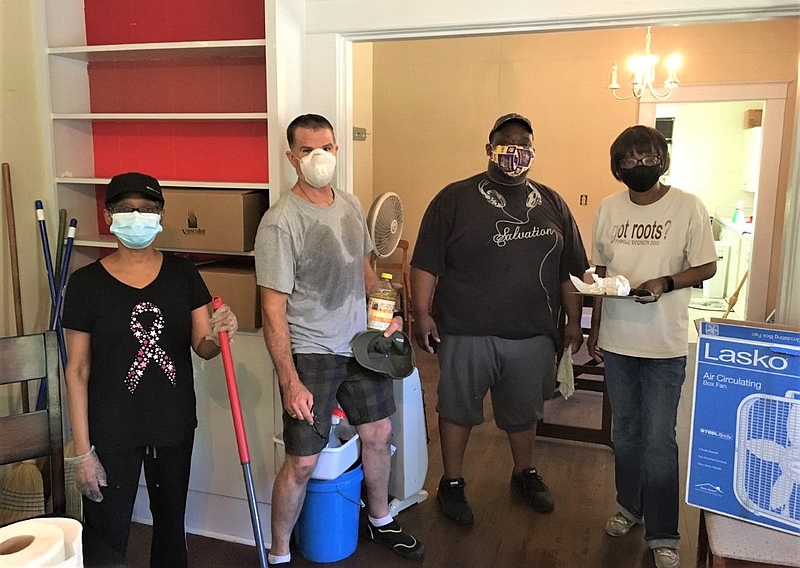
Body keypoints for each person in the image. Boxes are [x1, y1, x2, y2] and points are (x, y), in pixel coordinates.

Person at [254, 113, 424, 565]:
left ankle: (381, 519)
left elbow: (367, 273)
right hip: (311, 353)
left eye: (326, 147)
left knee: (378, 432)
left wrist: (389, 316)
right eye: (308, 150)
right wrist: (290, 380)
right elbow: (272, 311)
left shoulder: (349, 205)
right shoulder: (280, 222)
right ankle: (279, 553)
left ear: (337, 151)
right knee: (304, 461)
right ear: (292, 158)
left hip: (361, 348)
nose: (319, 157)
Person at [411, 113, 588, 525]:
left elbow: (571, 271)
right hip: (466, 328)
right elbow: (425, 262)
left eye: (523, 142)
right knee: (456, 408)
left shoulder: (552, 202)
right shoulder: (454, 198)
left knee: (523, 411)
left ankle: (523, 473)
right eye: (505, 142)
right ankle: (451, 482)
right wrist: (421, 314)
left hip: (532, 333)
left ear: (533, 150)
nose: (514, 149)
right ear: (489, 148)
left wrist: (573, 322)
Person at [62, 172, 238, 567]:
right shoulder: (85, 284)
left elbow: (203, 346)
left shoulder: (183, 274)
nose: (136, 217)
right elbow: (76, 370)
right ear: (109, 216)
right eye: (126, 209)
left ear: (160, 215)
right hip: (110, 430)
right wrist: (82, 452)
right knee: (106, 534)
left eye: (147, 209)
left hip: (172, 426)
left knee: (172, 529)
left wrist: (223, 329)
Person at [587, 125, 717, 568]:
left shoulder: (688, 207)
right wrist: (594, 327)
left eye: (647, 158)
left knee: (659, 439)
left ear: (661, 160)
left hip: (664, 343)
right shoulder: (607, 208)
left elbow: (706, 266)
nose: (638, 166)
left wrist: (665, 282)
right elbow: (601, 273)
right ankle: (629, 507)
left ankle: (664, 532)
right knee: (624, 433)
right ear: (617, 165)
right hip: (619, 341)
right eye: (629, 160)